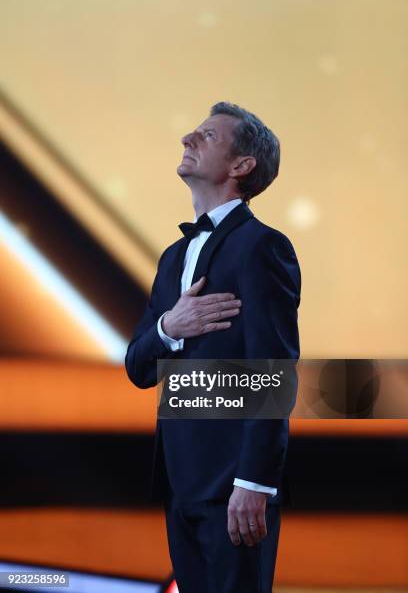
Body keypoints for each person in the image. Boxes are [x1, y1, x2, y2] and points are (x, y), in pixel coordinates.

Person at [125, 101, 301, 592]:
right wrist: (170, 325)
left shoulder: (263, 246)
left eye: (206, 135)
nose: (187, 138)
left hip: (234, 488)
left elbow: (274, 368)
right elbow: (139, 366)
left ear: (242, 166)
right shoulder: (172, 257)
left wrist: (254, 484)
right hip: (180, 482)